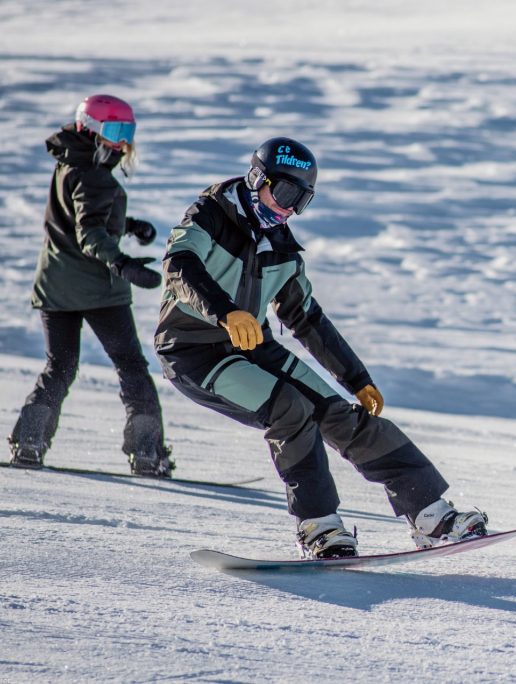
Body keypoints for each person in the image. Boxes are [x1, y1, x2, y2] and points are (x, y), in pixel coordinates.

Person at [154, 137, 487, 559]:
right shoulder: (209, 215)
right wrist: (224, 312)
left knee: (343, 416)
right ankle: (319, 528)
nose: (289, 209)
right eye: (287, 193)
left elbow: (308, 319)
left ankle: (431, 515)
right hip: (193, 351)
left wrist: (356, 378)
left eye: (302, 201)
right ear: (257, 178)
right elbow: (179, 265)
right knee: (289, 409)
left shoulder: (283, 250)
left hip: (253, 346)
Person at [8, 94, 172, 476]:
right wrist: (123, 263)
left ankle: (29, 442)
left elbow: (79, 216)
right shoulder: (95, 174)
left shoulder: (70, 162)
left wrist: (128, 226)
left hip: (54, 286)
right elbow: (90, 233)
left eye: (127, 132)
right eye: (114, 131)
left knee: (60, 365)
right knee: (130, 365)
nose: (121, 142)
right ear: (90, 127)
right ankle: (147, 453)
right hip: (99, 290)